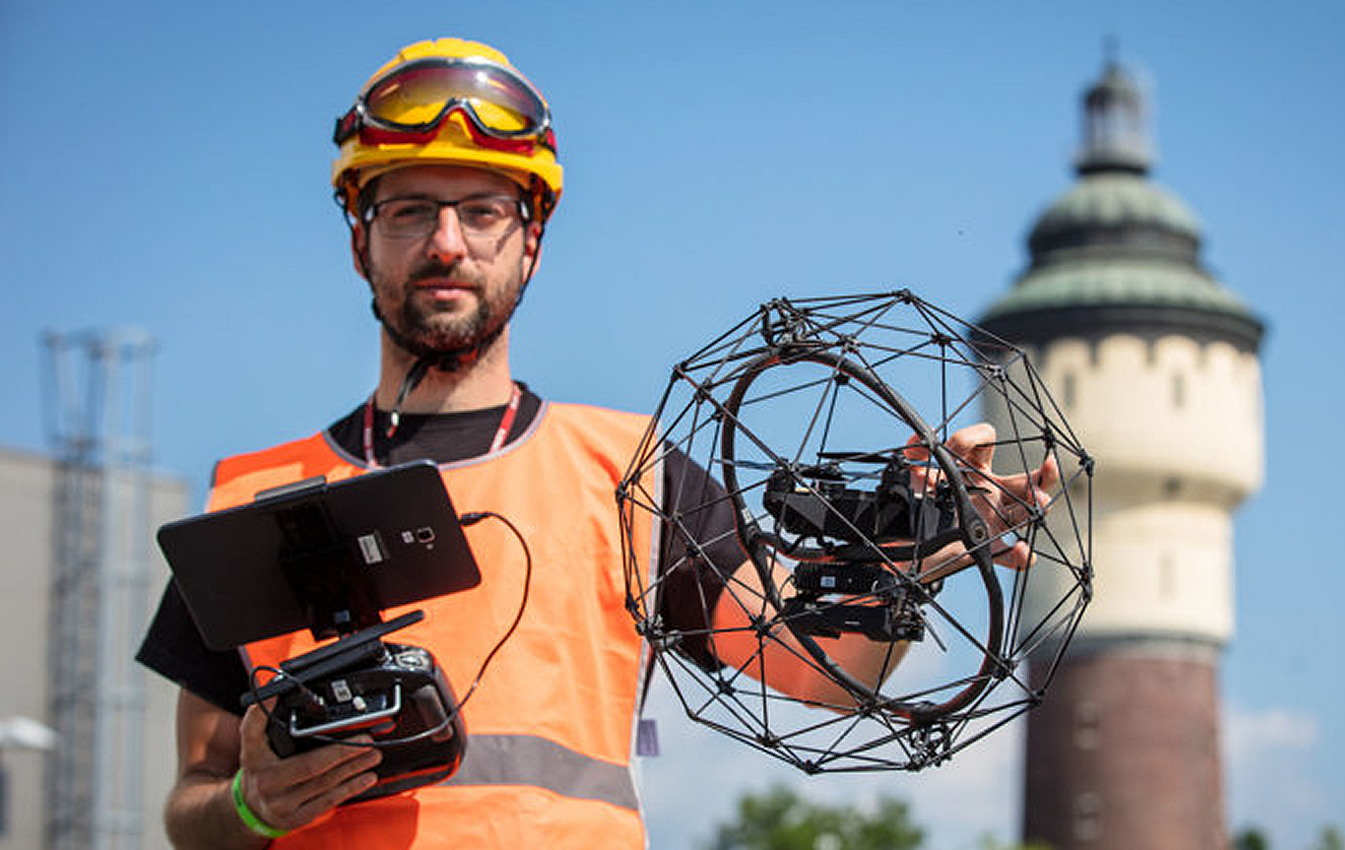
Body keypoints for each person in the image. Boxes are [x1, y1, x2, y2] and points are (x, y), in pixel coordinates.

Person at [136, 37, 1052, 849]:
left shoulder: (629, 470)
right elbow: (194, 806)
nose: (446, 242)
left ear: (531, 241)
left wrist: (899, 553)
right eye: (409, 210)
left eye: (484, 211)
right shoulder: (251, 498)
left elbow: (828, 677)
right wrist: (254, 807)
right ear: (359, 241)